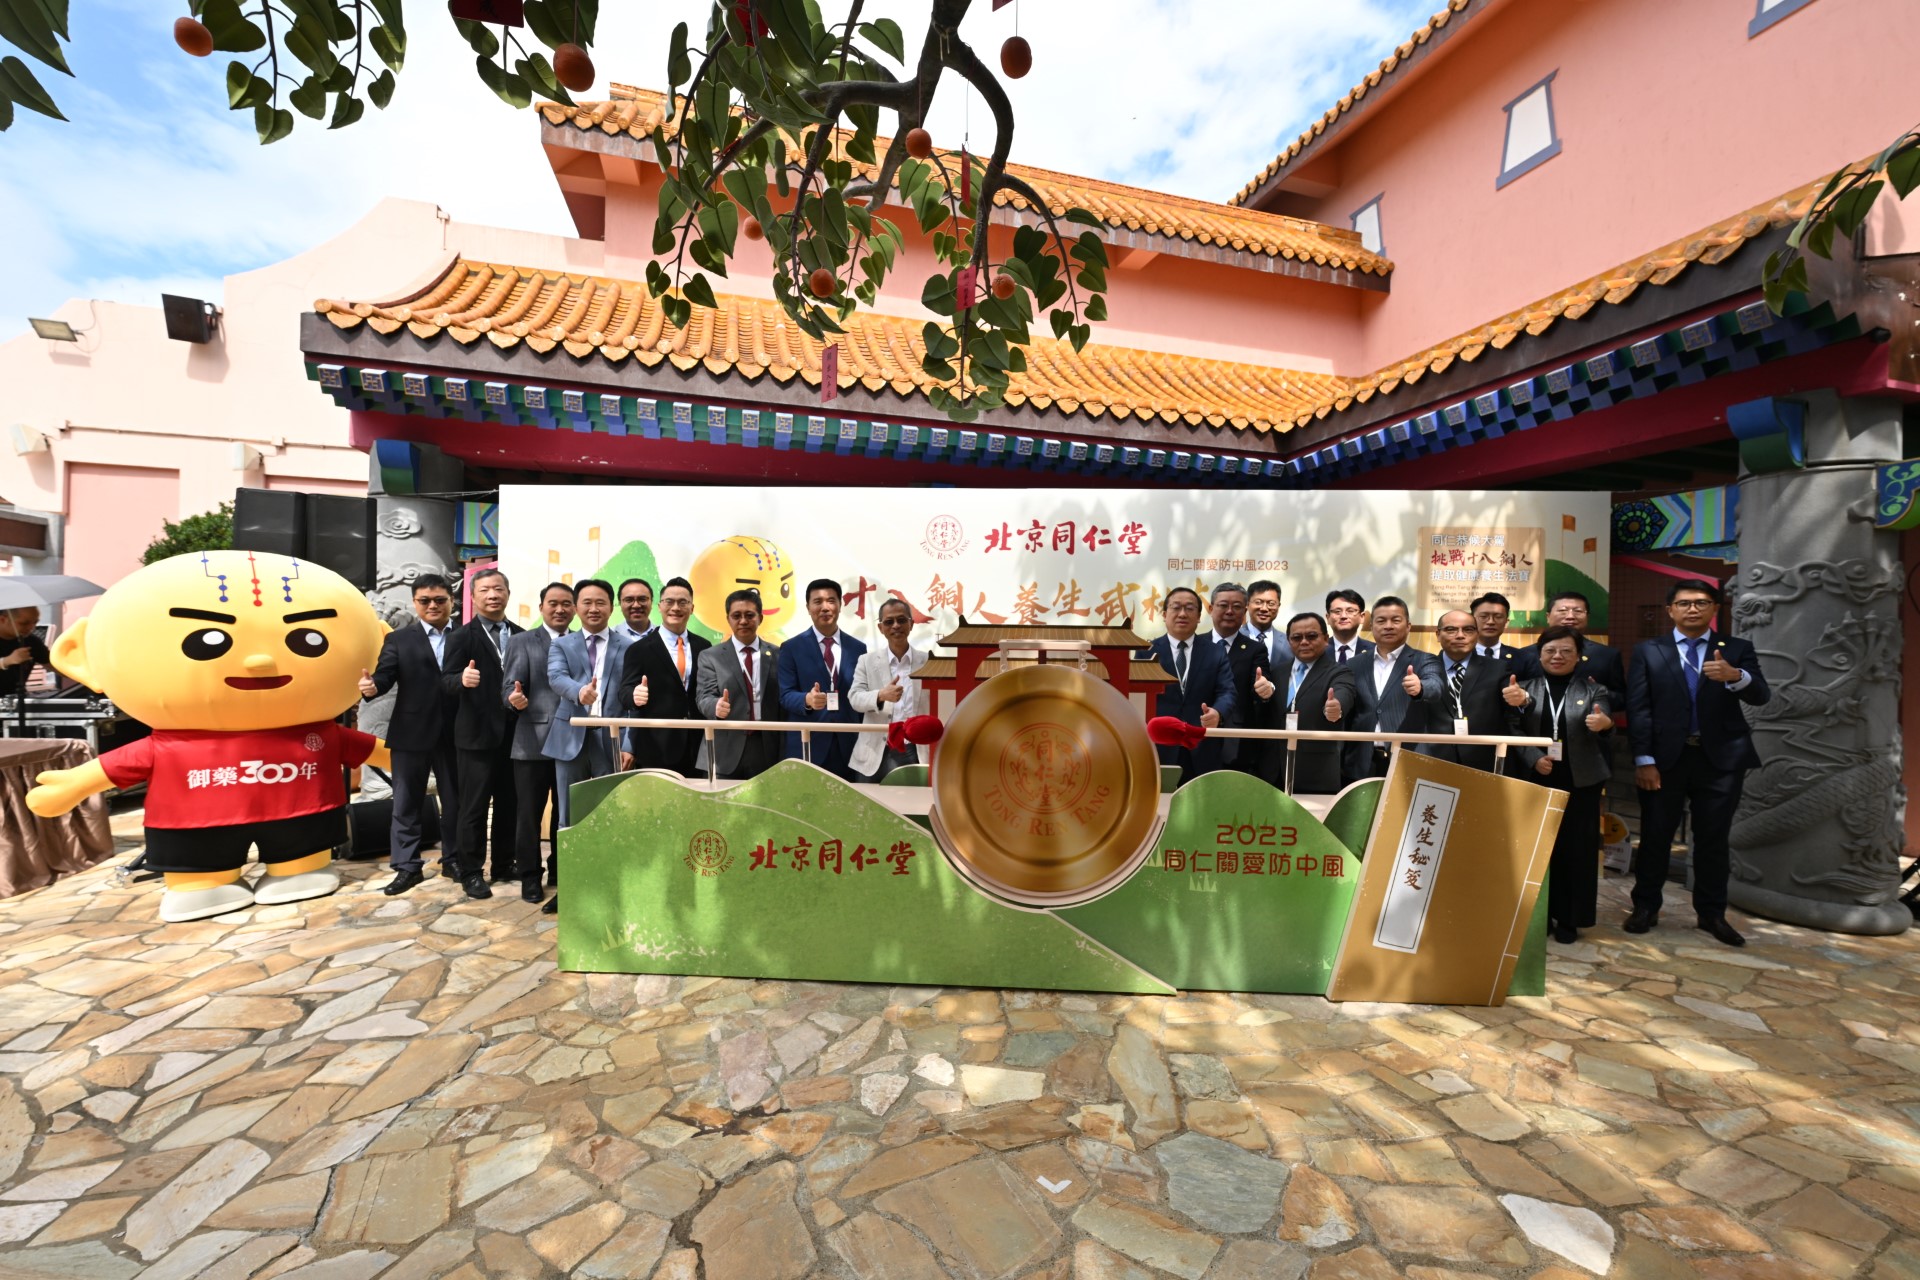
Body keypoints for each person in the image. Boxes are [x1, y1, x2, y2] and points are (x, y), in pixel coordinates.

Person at [1625, 578, 1770, 948]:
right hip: (1664, 761)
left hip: (1719, 760)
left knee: (1713, 840)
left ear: (1715, 609)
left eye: (1702, 602)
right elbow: (1639, 708)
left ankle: (1711, 914)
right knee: (1655, 836)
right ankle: (1645, 907)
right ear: (1670, 610)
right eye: (1684, 603)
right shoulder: (1648, 651)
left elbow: (1761, 695)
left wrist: (1736, 676)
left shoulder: (1735, 649)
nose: (1693, 609)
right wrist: (1644, 759)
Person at [1503, 627, 1614, 943]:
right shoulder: (1523, 689)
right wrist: (1533, 757)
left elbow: (1604, 718)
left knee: (1577, 851)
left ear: (1578, 657)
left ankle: (1569, 918)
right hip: (1536, 776)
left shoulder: (1594, 690)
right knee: (1535, 849)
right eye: (1550, 650)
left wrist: (1603, 724)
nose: (1558, 656)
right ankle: (1537, 916)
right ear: (1539, 655)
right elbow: (1512, 728)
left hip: (1581, 781)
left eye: (1566, 651)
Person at [362, 574, 466, 897]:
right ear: (414, 603)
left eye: (439, 600)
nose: (432, 605)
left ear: (451, 601)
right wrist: (372, 687)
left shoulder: (466, 636)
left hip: (456, 732)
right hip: (410, 733)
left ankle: (454, 860)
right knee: (406, 803)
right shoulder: (399, 639)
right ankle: (407, 867)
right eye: (425, 601)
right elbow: (385, 676)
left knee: (456, 802)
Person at [439, 568, 521, 899]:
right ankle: (471, 871)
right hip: (475, 737)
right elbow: (445, 681)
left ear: (507, 594)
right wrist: (461, 680)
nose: (493, 595)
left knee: (509, 804)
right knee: (473, 807)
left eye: (498, 589)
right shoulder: (461, 637)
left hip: (515, 736)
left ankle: (503, 863)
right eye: (485, 590)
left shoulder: (521, 635)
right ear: (472, 597)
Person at [502, 581, 572, 905]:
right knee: (528, 815)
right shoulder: (522, 641)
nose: (560, 609)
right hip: (532, 741)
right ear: (541, 606)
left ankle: (561, 871)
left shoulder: (580, 641)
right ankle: (530, 876)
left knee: (566, 813)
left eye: (566, 603)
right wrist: (513, 699)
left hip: (573, 742)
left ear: (574, 608)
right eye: (553, 603)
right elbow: (508, 687)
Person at [542, 579, 632, 829]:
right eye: (587, 602)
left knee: (611, 813)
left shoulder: (629, 647)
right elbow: (556, 677)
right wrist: (579, 691)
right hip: (570, 736)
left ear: (611, 607)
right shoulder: (561, 644)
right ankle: (571, 857)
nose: (594, 609)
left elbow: (632, 699)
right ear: (576, 607)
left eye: (600, 603)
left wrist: (629, 744)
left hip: (612, 739)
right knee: (569, 815)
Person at [1139, 587, 1235, 782]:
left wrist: (1218, 712)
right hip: (1160, 746)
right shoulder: (1146, 652)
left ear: (1199, 617)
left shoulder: (1215, 652)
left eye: (1190, 608)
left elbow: (1227, 692)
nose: (1182, 614)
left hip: (1201, 744)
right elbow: (1138, 698)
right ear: (1164, 615)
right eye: (1176, 608)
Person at [616, 577, 709, 777]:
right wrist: (635, 695)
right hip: (656, 747)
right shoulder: (639, 649)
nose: (675, 608)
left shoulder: (704, 647)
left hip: (698, 747)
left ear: (692, 608)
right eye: (669, 602)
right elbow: (624, 693)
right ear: (659, 606)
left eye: (682, 602)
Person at [1343, 595, 1442, 783]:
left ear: (1408, 626)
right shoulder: (1355, 664)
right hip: (1361, 762)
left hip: (1407, 758)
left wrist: (1420, 688)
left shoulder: (1424, 659)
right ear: (1371, 627)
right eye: (1381, 621)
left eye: (1396, 620)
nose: (1388, 626)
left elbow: (1435, 686)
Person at [779, 578, 866, 780]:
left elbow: (862, 694)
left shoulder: (858, 648)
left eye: (831, 601)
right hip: (808, 743)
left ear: (840, 605)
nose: (825, 607)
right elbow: (785, 695)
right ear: (808, 608)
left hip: (848, 746)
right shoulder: (791, 648)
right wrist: (807, 700)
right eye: (817, 602)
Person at [696, 589, 782, 779]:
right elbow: (704, 697)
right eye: (736, 616)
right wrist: (716, 706)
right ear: (728, 619)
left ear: (760, 618)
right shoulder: (710, 656)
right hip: (724, 749)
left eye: (749, 615)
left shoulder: (778, 654)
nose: (743, 621)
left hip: (766, 747)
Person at [1415, 609, 1512, 773]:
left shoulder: (1497, 668)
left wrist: (1522, 700)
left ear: (1477, 634)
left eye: (1468, 630)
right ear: (1438, 635)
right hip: (1433, 760)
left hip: (1483, 761)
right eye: (1451, 629)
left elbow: (1512, 711)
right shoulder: (1421, 668)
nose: (1460, 635)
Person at [847, 597, 929, 781]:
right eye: (889, 622)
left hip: (915, 750)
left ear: (911, 624)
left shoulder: (929, 662)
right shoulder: (866, 661)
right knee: (867, 800)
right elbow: (854, 698)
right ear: (880, 628)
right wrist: (880, 695)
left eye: (901, 620)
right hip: (873, 752)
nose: (896, 626)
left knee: (913, 799)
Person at [1274, 612, 1356, 794]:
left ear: (1326, 639)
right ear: (1288, 641)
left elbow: (1344, 692)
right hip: (1273, 770)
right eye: (1297, 637)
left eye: (1311, 636)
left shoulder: (1339, 672)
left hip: (1316, 770)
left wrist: (1336, 707)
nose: (1304, 642)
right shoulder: (1277, 672)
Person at [1206, 582, 1276, 776]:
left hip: (1236, 741)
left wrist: (1266, 689)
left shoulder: (1255, 649)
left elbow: (1263, 683)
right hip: (1198, 733)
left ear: (1244, 612)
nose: (1229, 611)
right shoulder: (1196, 644)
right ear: (1210, 609)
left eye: (1237, 607)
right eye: (1223, 605)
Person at [1512, 591, 1625, 702]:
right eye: (1562, 611)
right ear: (1548, 616)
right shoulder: (1524, 654)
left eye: (1578, 611)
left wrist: (1599, 693)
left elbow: (1622, 699)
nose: (1570, 616)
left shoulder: (1607, 655)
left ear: (1587, 617)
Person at [0, 606, 50, 699]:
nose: (32, 628)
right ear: (2, 620)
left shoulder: (31, 641)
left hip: (15, 701)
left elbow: (56, 666)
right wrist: (6, 661)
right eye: (24, 623)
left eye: (35, 622)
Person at [1325, 589, 1375, 665]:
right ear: (1328, 618)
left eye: (1350, 611)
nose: (1343, 616)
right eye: (1337, 611)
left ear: (1362, 617)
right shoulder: (1317, 650)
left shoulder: (1375, 651)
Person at [1242, 580, 1284, 670]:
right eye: (1258, 602)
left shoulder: (1289, 642)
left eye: (1271, 604)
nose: (1264, 608)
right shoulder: (1233, 638)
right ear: (1247, 604)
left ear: (1278, 606)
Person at [1470, 592, 1521, 660]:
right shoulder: (1461, 655)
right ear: (1471, 620)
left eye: (1498, 617)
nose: (1491, 622)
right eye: (1483, 616)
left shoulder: (1520, 657)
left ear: (1506, 622)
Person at [615, 578, 655, 642]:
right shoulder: (609, 636)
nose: (636, 605)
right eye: (629, 600)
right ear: (620, 604)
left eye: (642, 599)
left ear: (651, 602)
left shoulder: (663, 634)